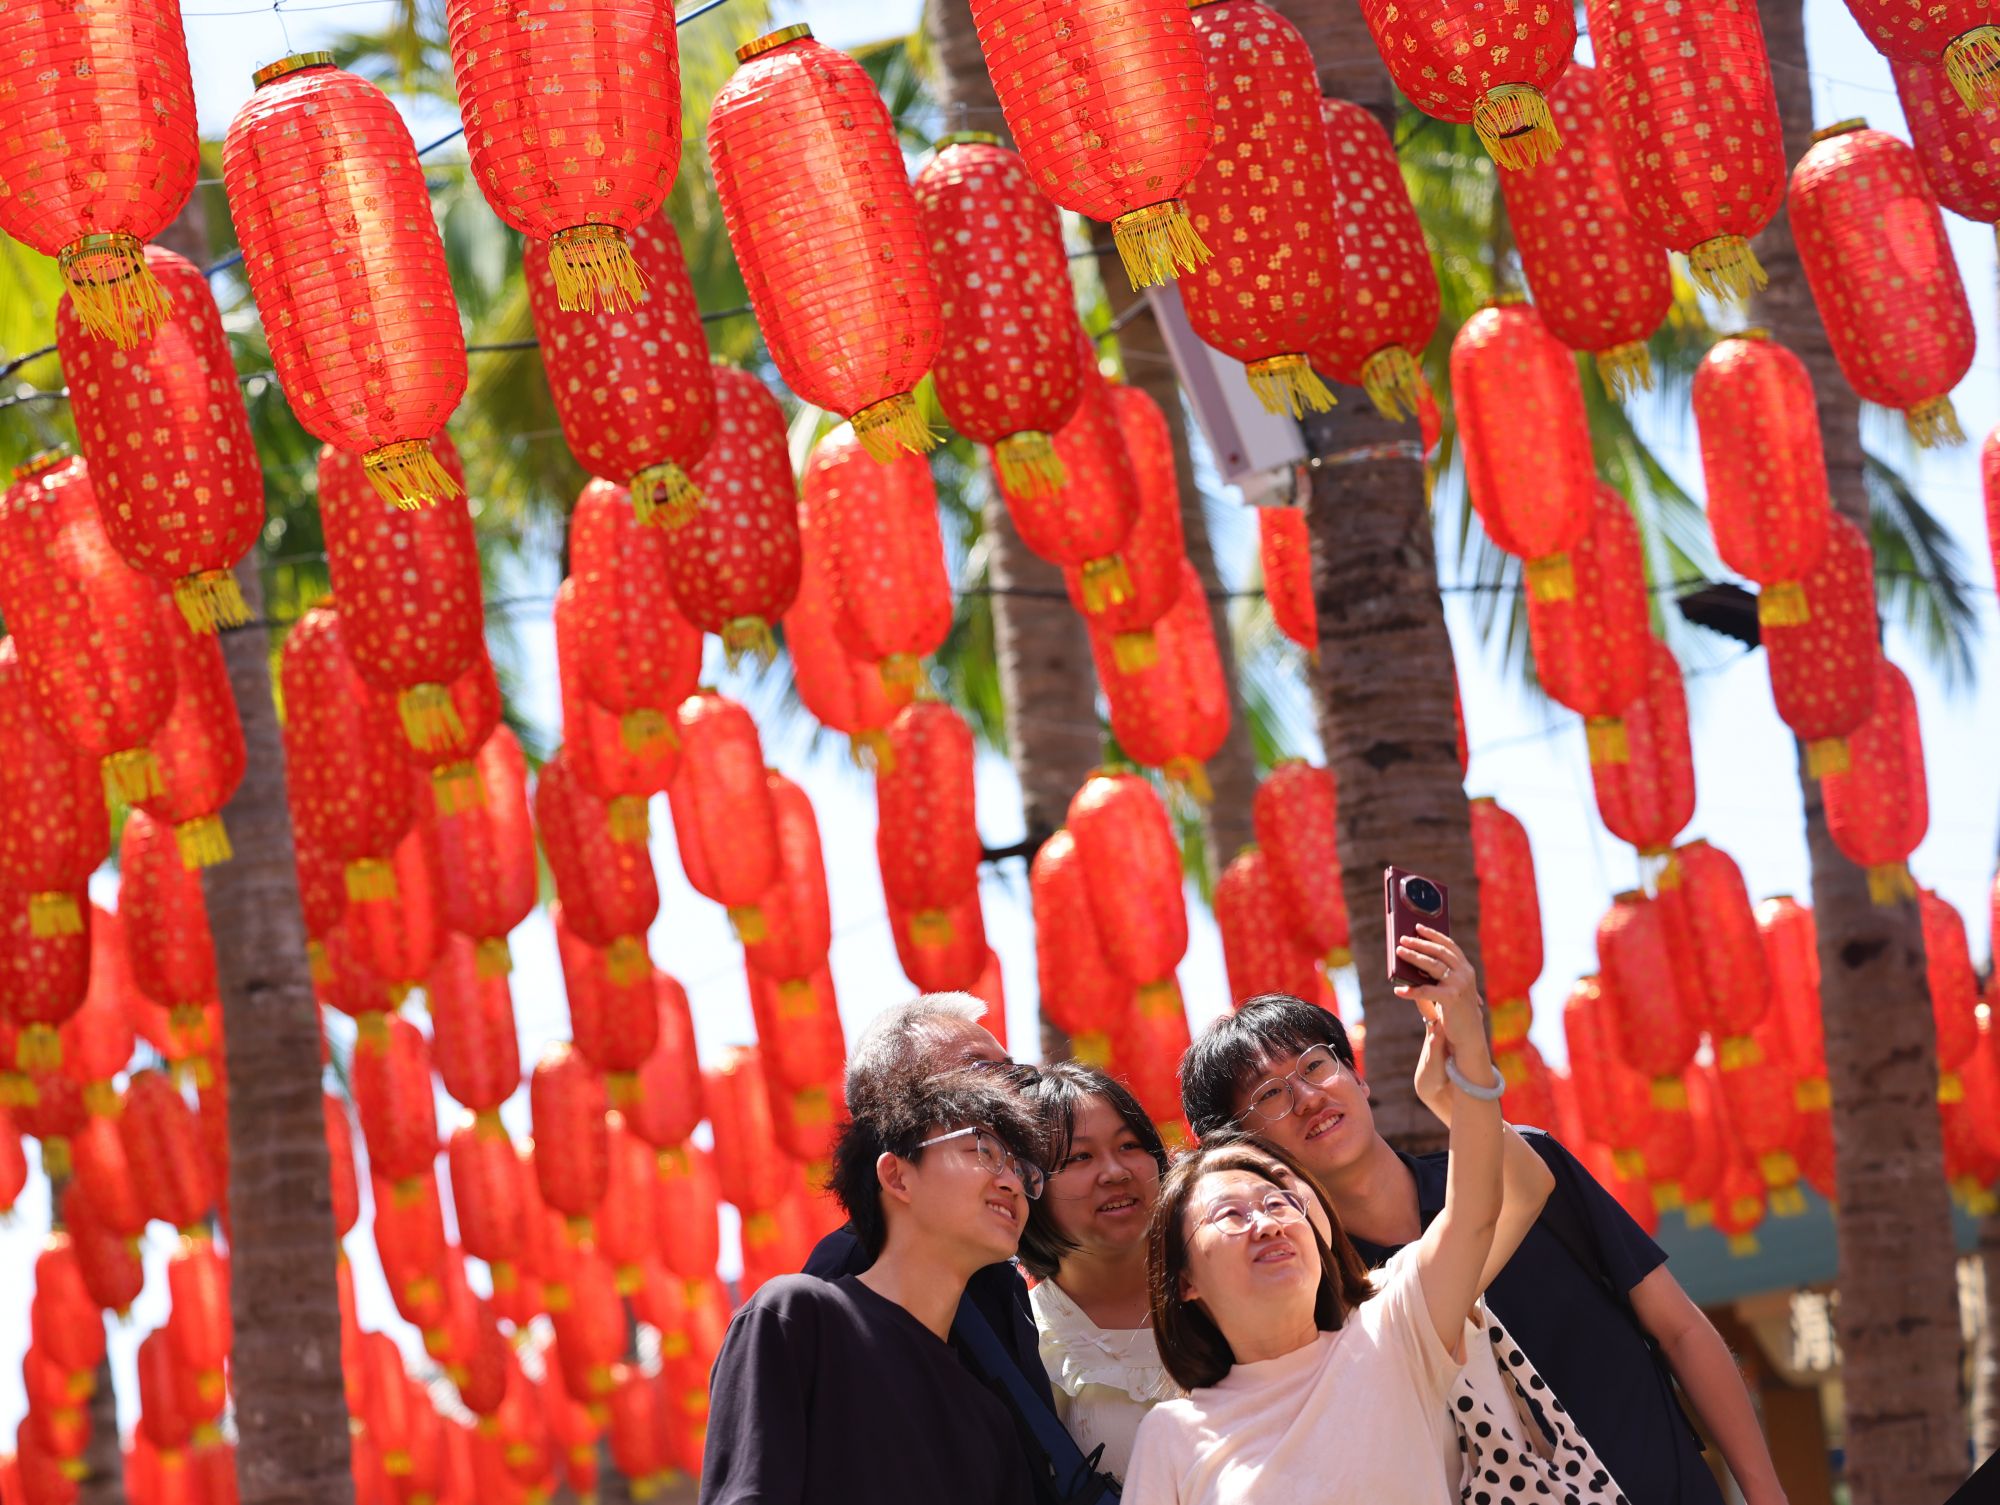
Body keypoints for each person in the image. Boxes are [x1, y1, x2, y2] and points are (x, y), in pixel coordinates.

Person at [1179, 925, 1788, 1505]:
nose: (1308, 1098)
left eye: (1315, 1065)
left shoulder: (1524, 1163)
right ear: (1243, 1149)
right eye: (1270, 1095)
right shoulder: (1310, 1295)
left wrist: (1766, 1493)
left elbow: (1680, 1330)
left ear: (1356, 1078)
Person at [1123, 925, 1512, 1504]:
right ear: (1183, 1281)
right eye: (1230, 1214)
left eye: (1279, 1203)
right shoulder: (1170, 1436)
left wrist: (1467, 1046)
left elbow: (1475, 1211)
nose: (1267, 1222)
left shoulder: (1395, 1322)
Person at [800, 993, 1113, 1502]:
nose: (1013, 1094)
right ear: (895, 1108)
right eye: (981, 1070)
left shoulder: (997, 1275)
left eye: (1015, 1075)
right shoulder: (832, 1291)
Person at [700, 1064, 1048, 1504]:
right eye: (984, 1150)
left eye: (1021, 1170)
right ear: (897, 1177)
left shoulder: (991, 1418)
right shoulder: (795, 1318)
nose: (1012, 1183)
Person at [1017, 1063, 1178, 1487]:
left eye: (1129, 1145)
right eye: (1080, 1157)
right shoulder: (1022, 1342)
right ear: (1029, 1184)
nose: (1116, 1172)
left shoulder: (1228, 1287)